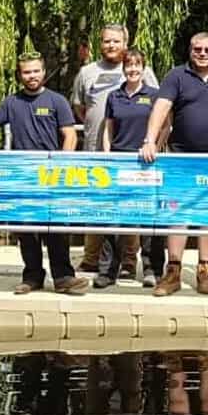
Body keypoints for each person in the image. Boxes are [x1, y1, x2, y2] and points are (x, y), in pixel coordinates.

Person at [0, 51, 90, 295]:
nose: (32, 76)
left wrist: (63, 161)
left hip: (51, 175)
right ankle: (32, 277)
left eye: (36, 71)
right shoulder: (11, 102)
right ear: (20, 75)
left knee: (56, 229)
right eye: (27, 72)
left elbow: (70, 134)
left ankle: (63, 277)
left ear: (43, 72)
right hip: (23, 176)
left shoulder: (56, 101)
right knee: (27, 230)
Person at [140, 32, 208, 296]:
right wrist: (150, 140)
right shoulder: (176, 76)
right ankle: (173, 271)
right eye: (197, 49)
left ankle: (204, 270)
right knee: (177, 213)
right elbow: (161, 108)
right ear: (190, 50)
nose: (202, 54)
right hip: (181, 156)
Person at [72, 24, 159, 276]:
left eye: (116, 41)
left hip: (131, 152)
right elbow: (80, 107)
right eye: (106, 41)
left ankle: (128, 262)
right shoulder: (86, 72)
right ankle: (92, 258)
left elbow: (158, 107)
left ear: (125, 42)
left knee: (130, 207)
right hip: (95, 152)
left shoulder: (142, 71)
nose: (111, 45)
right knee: (96, 205)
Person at [99, 49, 166, 288]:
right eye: (129, 65)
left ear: (144, 68)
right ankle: (108, 271)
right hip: (119, 161)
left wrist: (155, 147)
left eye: (137, 65)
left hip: (146, 162)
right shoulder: (114, 96)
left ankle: (152, 269)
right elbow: (109, 127)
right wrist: (107, 154)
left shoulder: (155, 95)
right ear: (123, 69)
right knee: (114, 219)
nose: (133, 69)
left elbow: (166, 125)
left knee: (150, 218)